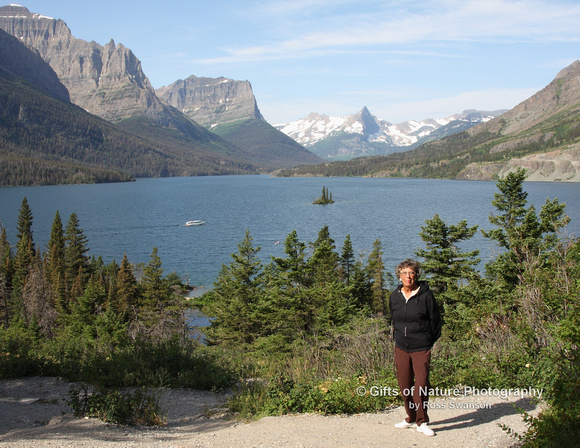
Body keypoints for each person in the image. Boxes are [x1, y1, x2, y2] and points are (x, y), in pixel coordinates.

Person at [389, 259, 441, 437]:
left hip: (421, 347)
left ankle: (422, 421)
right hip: (401, 346)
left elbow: (435, 321)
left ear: (416, 275)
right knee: (405, 385)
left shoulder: (426, 295)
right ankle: (410, 416)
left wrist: (428, 340)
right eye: (404, 273)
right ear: (399, 275)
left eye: (411, 273)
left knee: (421, 385)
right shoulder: (395, 296)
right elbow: (393, 319)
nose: (408, 276)